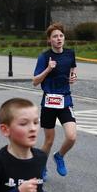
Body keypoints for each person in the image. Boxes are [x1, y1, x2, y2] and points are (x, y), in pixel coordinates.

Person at [32, 22, 78, 180]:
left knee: (71, 136)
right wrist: (48, 69)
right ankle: (42, 166)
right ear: (49, 40)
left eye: (61, 36)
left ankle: (59, 156)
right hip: (49, 102)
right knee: (49, 140)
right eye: (55, 37)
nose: (59, 39)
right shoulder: (44, 57)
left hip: (65, 100)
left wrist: (73, 77)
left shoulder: (70, 54)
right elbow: (35, 81)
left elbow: (72, 70)